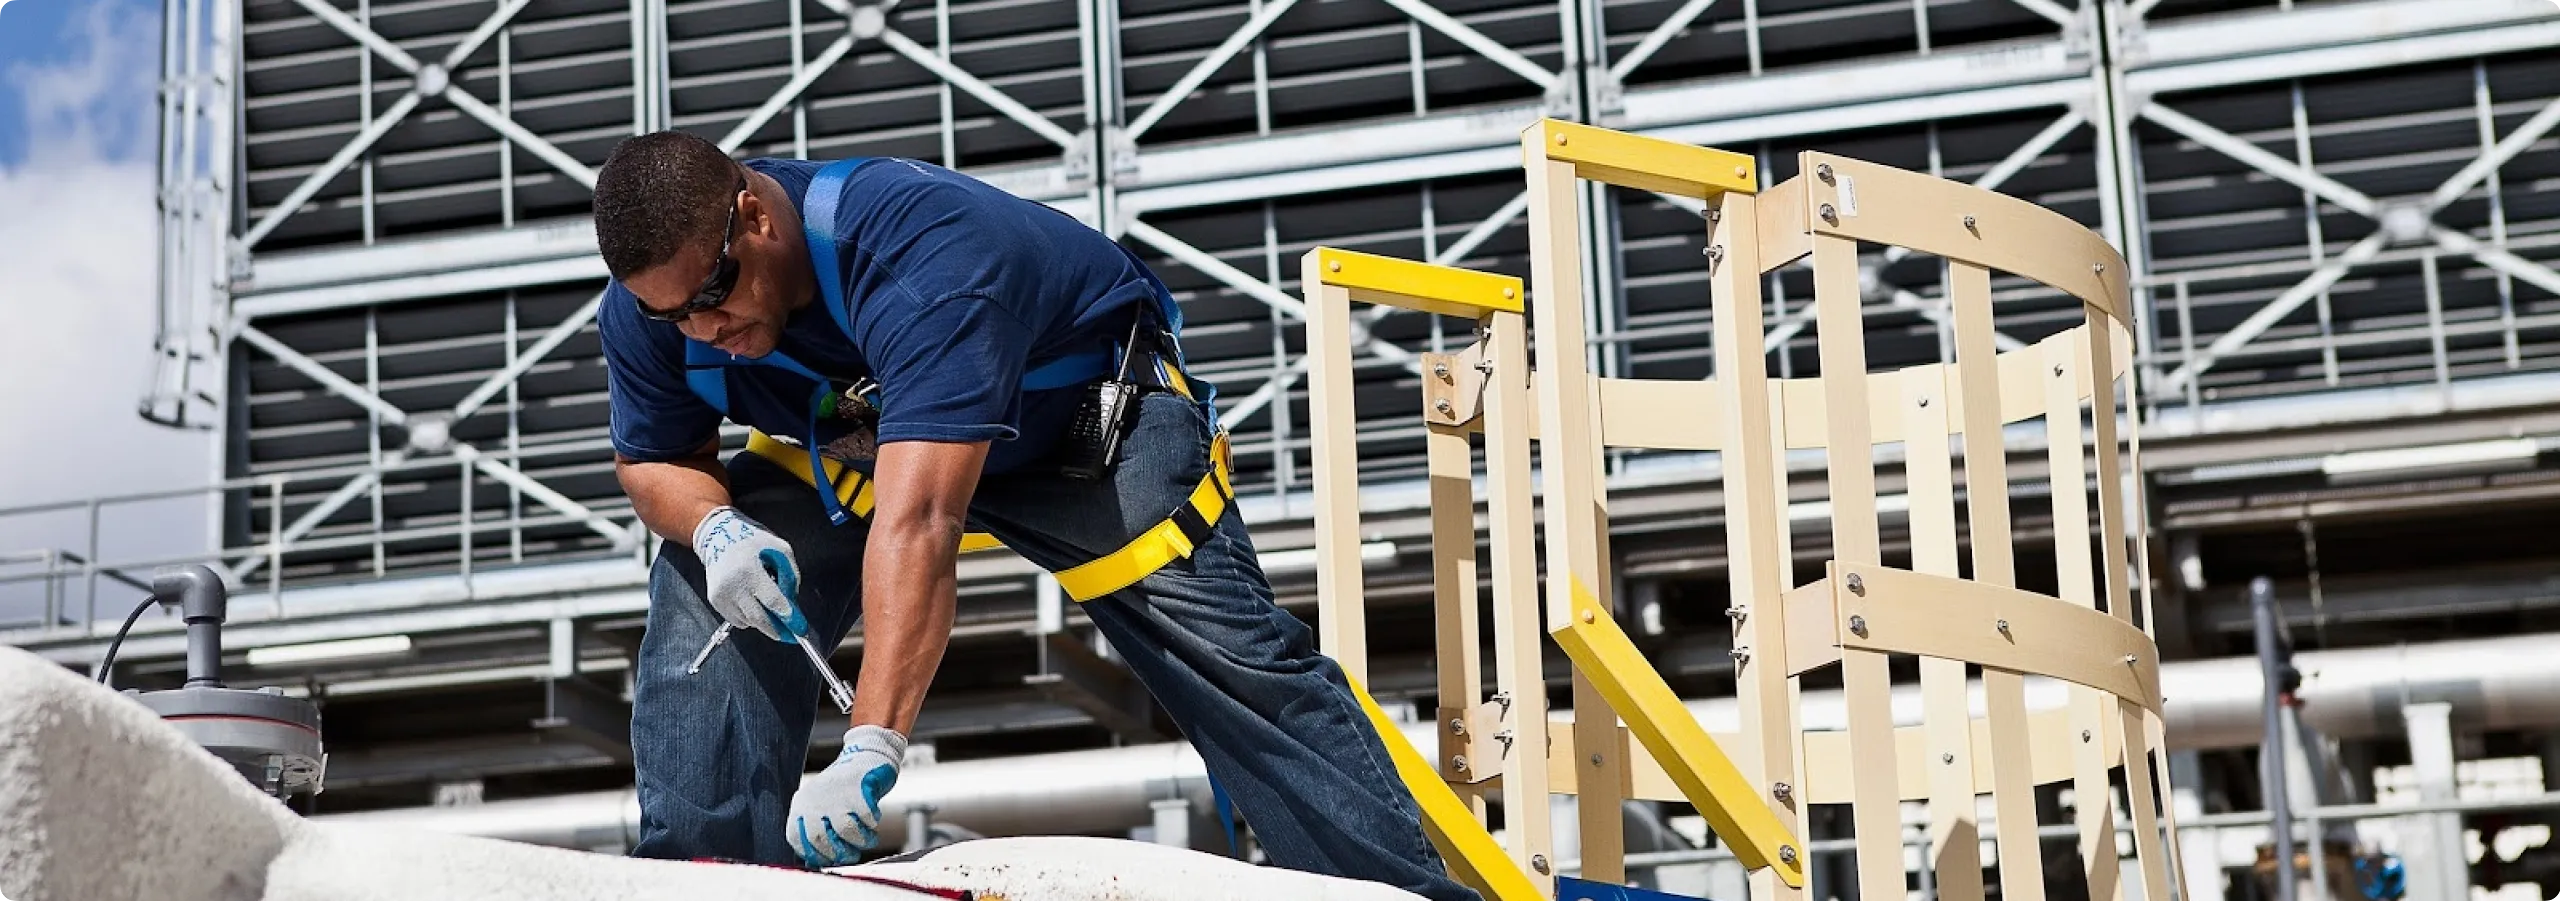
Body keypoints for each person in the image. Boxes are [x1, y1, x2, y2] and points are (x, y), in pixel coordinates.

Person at [589, 130, 1476, 901]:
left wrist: (871, 744)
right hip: (860, 444)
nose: (699, 330)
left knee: (1231, 662)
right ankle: (700, 877)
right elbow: (655, 458)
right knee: (706, 597)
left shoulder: (918, 253)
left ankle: (1386, 891)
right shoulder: (658, 308)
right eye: (668, 315)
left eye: (712, 296)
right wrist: (715, 528)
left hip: (1087, 429)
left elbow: (923, 521)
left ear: (755, 217)